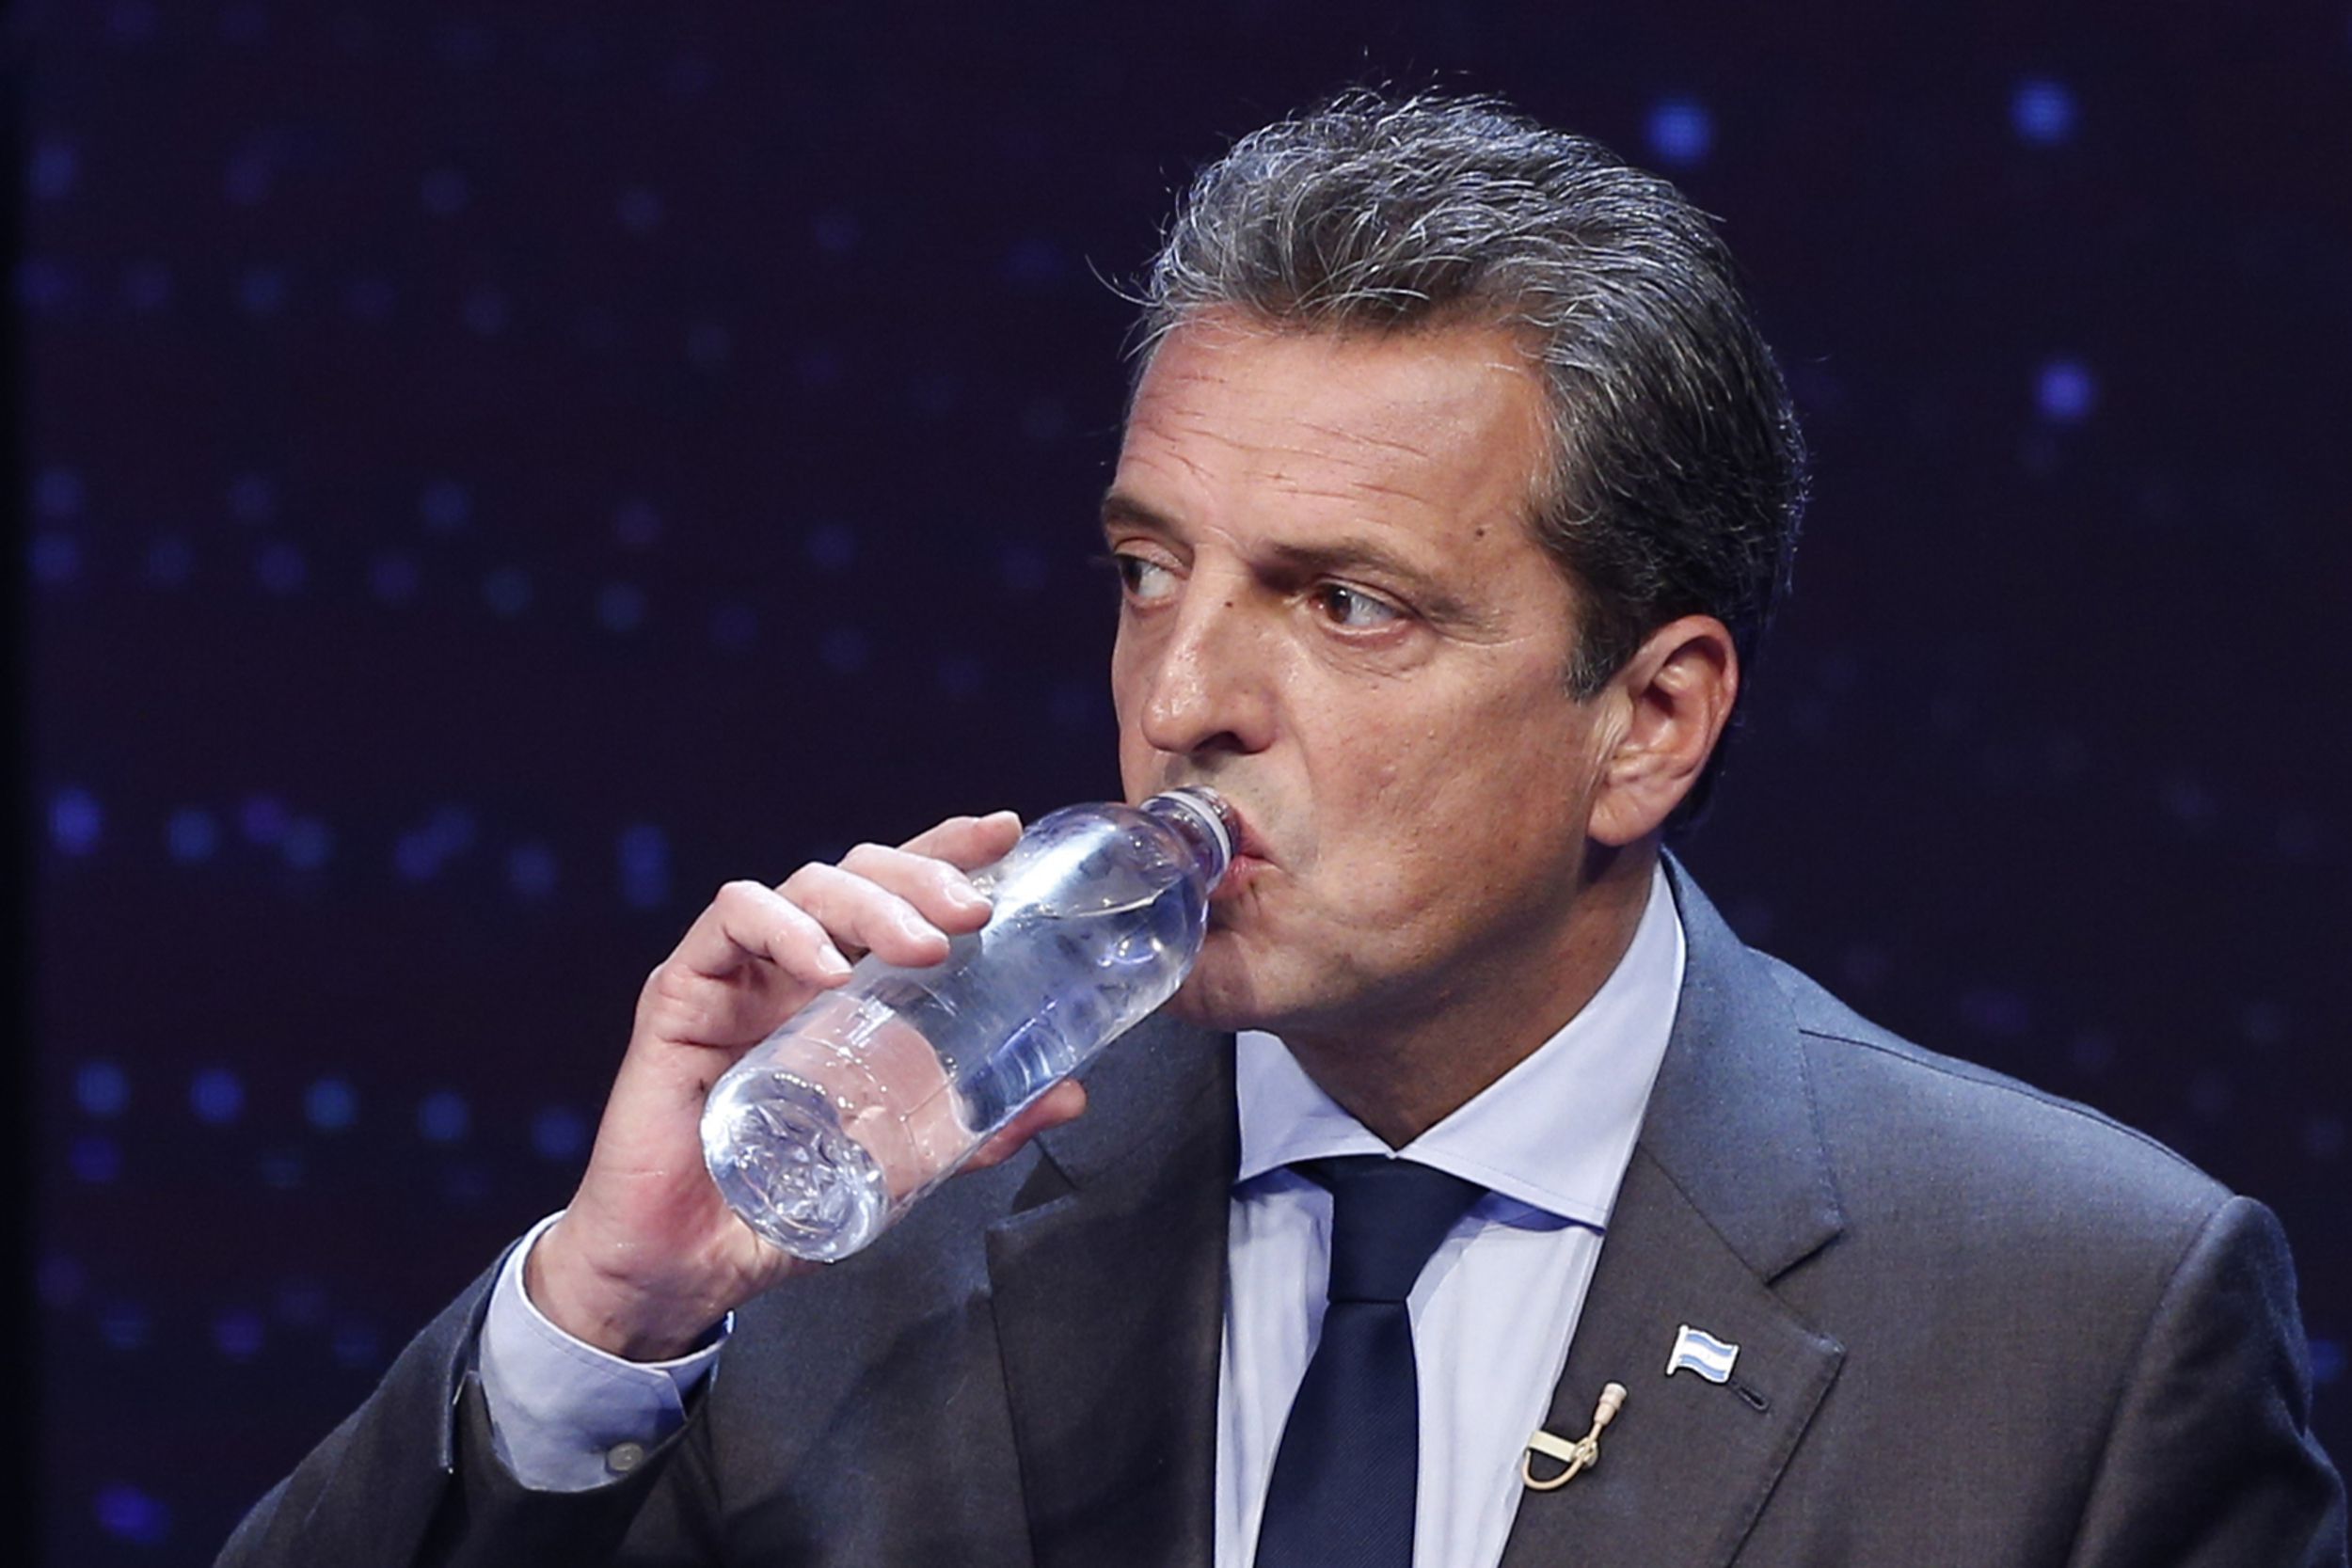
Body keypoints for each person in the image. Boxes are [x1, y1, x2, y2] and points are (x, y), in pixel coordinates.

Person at [220, 91, 2346, 1567]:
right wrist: (607, 1321)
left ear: (1649, 721)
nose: (1182, 698)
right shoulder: (861, 1221)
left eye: (1347, 605)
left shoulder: (2074, 1326)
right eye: (1152, 571)